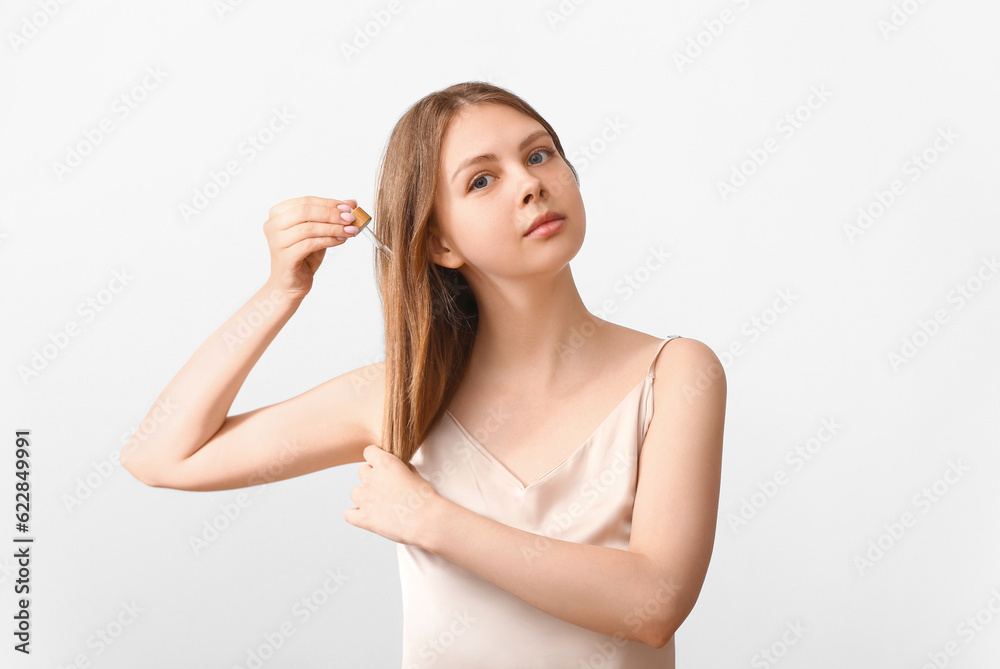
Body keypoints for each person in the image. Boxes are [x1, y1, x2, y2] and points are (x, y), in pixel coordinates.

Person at [120, 81, 727, 668]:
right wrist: (280, 291)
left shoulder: (674, 374)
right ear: (438, 241)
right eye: (482, 179)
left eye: (540, 155)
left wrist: (431, 522)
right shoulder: (400, 397)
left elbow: (654, 604)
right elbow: (160, 457)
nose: (531, 185)